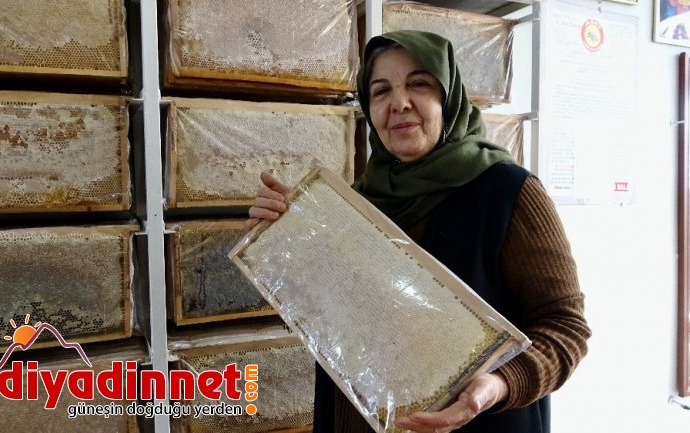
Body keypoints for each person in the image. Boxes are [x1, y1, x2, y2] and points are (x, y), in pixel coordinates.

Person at [247, 30, 590, 433]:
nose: (399, 103)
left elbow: (566, 328)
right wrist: (284, 242)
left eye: (419, 84)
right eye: (381, 91)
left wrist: (499, 384)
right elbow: (328, 321)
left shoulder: (507, 193)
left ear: (448, 98)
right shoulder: (353, 204)